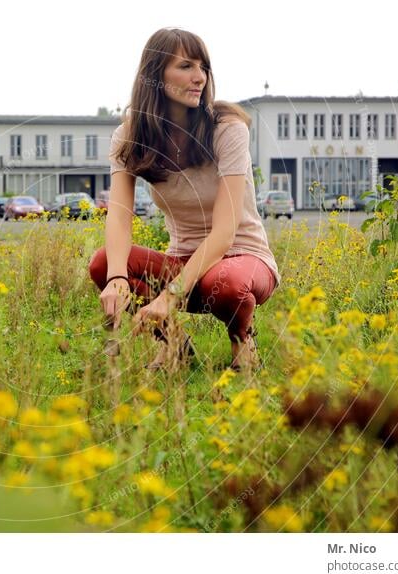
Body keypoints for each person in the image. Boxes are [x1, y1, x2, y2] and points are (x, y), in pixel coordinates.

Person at [88, 27, 281, 373]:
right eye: (186, 67)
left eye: (203, 67)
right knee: (104, 263)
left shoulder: (227, 128)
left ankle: (242, 339)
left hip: (242, 259)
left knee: (226, 283)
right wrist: (117, 277)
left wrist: (170, 296)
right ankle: (174, 344)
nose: (199, 78)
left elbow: (225, 232)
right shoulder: (130, 136)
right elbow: (118, 217)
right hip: (183, 262)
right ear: (155, 75)